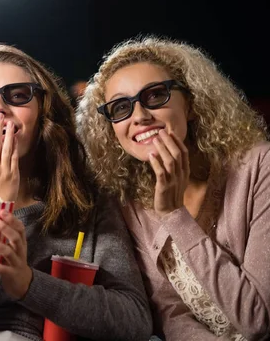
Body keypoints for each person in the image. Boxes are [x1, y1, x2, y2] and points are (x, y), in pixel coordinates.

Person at [0, 44, 152, 341]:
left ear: (43, 114)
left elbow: (135, 321)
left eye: (17, 95)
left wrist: (29, 284)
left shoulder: (90, 203)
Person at [76, 36, 270, 340]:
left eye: (155, 96)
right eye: (120, 107)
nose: (139, 116)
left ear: (191, 104)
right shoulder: (125, 201)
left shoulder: (260, 166)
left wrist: (174, 214)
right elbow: (169, 313)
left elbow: (257, 320)